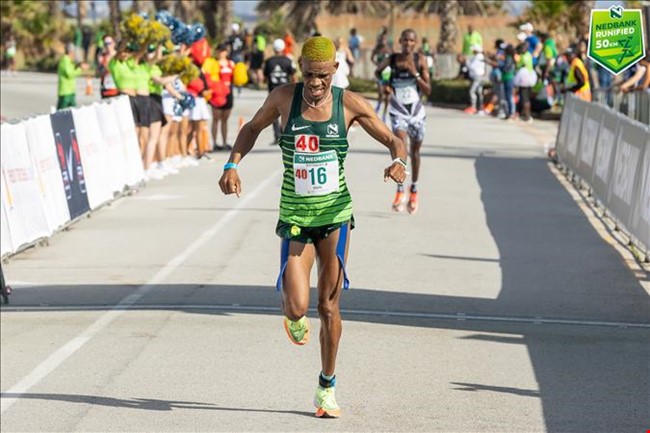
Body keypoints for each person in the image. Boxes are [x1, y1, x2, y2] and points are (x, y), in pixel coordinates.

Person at [218, 36, 407, 418]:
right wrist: (232, 164)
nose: (316, 83)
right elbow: (252, 128)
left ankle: (326, 386)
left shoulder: (348, 104)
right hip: (295, 218)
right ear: (300, 69)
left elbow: (392, 138)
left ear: (335, 70)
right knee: (296, 308)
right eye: (309, 75)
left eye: (323, 75)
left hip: (335, 216)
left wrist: (398, 162)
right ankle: (294, 316)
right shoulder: (283, 98)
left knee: (329, 306)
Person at [375, 29, 431, 214]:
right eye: (405, 40)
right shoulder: (392, 59)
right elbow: (377, 71)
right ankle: (400, 189)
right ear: (400, 41)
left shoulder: (420, 60)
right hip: (398, 110)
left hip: (416, 111)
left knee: (415, 151)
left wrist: (415, 74)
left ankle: (414, 189)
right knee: (401, 146)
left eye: (411, 40)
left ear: (415, 43)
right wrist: (385, 85)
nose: (408, 43)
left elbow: (428, 90)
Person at [263, 38, 296, 144]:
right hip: (286, 91)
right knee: (287, 112)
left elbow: (265, 77)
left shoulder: (269, 61)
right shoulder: (288, 60)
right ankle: (285, 134)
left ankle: (277, 136)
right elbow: (293, 76)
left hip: (273, 91)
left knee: (273, 114)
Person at [212, 44, 235, 151]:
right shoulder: (214, 64)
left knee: (225, 119)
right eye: (220, 51)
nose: (222, 53)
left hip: (228, 92)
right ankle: (214, 143)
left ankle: (225, 142)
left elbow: (235, 78)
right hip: (217, 93)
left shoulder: (231, 64)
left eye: (224, 51)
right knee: (216, 118)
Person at [57, 43, 89, 109]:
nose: (74, 54)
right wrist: (80, 69)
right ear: (70, 51)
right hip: (65, 92)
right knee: (60, 112)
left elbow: (74, 68)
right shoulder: (65, 60)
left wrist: (80, 66)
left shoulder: (70, 60)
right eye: (74, 52)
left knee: (74, 112)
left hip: (71, 91)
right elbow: (69, 74)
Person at [371, 33, 392, 122]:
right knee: (380, 92)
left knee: (387, 94)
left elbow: (393, 59)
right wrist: (377, 64)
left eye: (385, 40)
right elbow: (371, 58)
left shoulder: (389, 50)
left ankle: (384, 113)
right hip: (379, 73)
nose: (383, 41)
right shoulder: (377, 49)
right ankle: (379, 104)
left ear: (386, 41)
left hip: (387, 73)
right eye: (382, 40)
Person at [464, 44, 486, 114]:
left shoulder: (479, 57)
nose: (472, 51)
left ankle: (473, 107)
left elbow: (472, 66)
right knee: (479, 92)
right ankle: (480, 108)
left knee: (472, 91)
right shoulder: (476, 56)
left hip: (477, 76)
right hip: (476, 76)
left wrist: (467, 62)